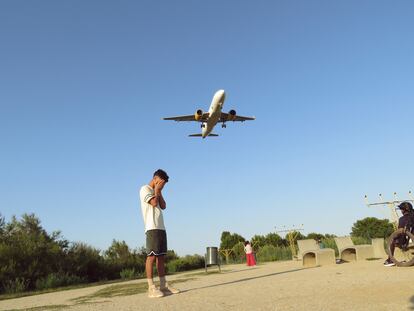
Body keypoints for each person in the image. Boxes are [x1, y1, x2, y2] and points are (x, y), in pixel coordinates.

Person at [139, 169, 180, 298]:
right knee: (151, 257)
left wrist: (159, 191)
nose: (163, 186)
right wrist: (156, 190)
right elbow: (154, 202)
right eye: (162, 183)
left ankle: (163, 285)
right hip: (151, 228)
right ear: (156, 178)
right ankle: (151, 287)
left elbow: (163, 205)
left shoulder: (157, 192)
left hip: (161, 227)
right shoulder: (144, 189)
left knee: (161, 257)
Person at [384, 201, 414, 267]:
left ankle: (390, 260)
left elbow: (400, 232)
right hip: (411, 238)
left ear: (403, 210)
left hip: (407, 241)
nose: (401, 211)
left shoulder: (402, 219)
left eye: (401, 209)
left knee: (393, 240)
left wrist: (396, 238)